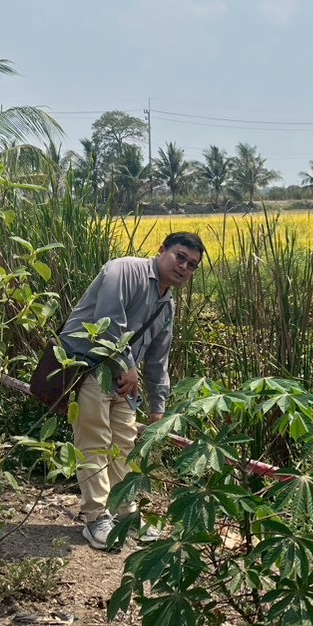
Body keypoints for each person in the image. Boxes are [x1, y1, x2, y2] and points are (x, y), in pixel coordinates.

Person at [58, 232, 205, 549]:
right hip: (90, 364)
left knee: (124, 443)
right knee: (94, 439)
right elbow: (108, 322)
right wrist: (127, 364)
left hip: (124, 380)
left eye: (192, 265)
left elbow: (158, 358)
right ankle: (96, 518)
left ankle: (126, 515)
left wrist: (158, 406)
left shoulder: (167, 306)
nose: (184, 267)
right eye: (180, 256)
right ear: (162, 250)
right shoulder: (124, 269)